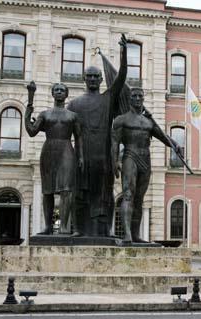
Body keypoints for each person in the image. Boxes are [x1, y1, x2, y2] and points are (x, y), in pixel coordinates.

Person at [67, 34, 128, 237]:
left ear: (101, 79)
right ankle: (77, 229)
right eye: (89, 76)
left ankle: (107, 229)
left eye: (96, 76)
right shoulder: (74, 105)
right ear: (84, 79)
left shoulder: (108, 98)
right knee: (79, 194)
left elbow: (121, 78)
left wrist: (123, 52)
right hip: (82, 155)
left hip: (104, 156)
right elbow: (68, 134)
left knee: (106, 195)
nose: (93, 79)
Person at [111, 88, 182, 243]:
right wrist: (115, 161)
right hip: (130, 156)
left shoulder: (148, 121)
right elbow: (115, 142)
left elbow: (163, 137)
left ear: (143, 99)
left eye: (140, 96)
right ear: (129, 99)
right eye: (134, 96)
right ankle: (127, 234)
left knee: (139, 199)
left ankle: (136, 235)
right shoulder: (121, 120)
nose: (137, 98)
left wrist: (175, 144)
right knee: (128, 194)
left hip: (146, 159)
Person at [25, 82, 83, 235]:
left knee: (66, 190)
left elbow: (78, 138)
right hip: (49, 151)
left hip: (66, 150)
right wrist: (28, 108)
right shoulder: (45, 114)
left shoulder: (73, 116)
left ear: (66, 94)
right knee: (47, 191)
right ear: (52, 93)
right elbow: (31, 131)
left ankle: (64, 226)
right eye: (56, 90)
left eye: (62, 90)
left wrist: (80, 156)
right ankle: (48, 227)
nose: (59, 92)